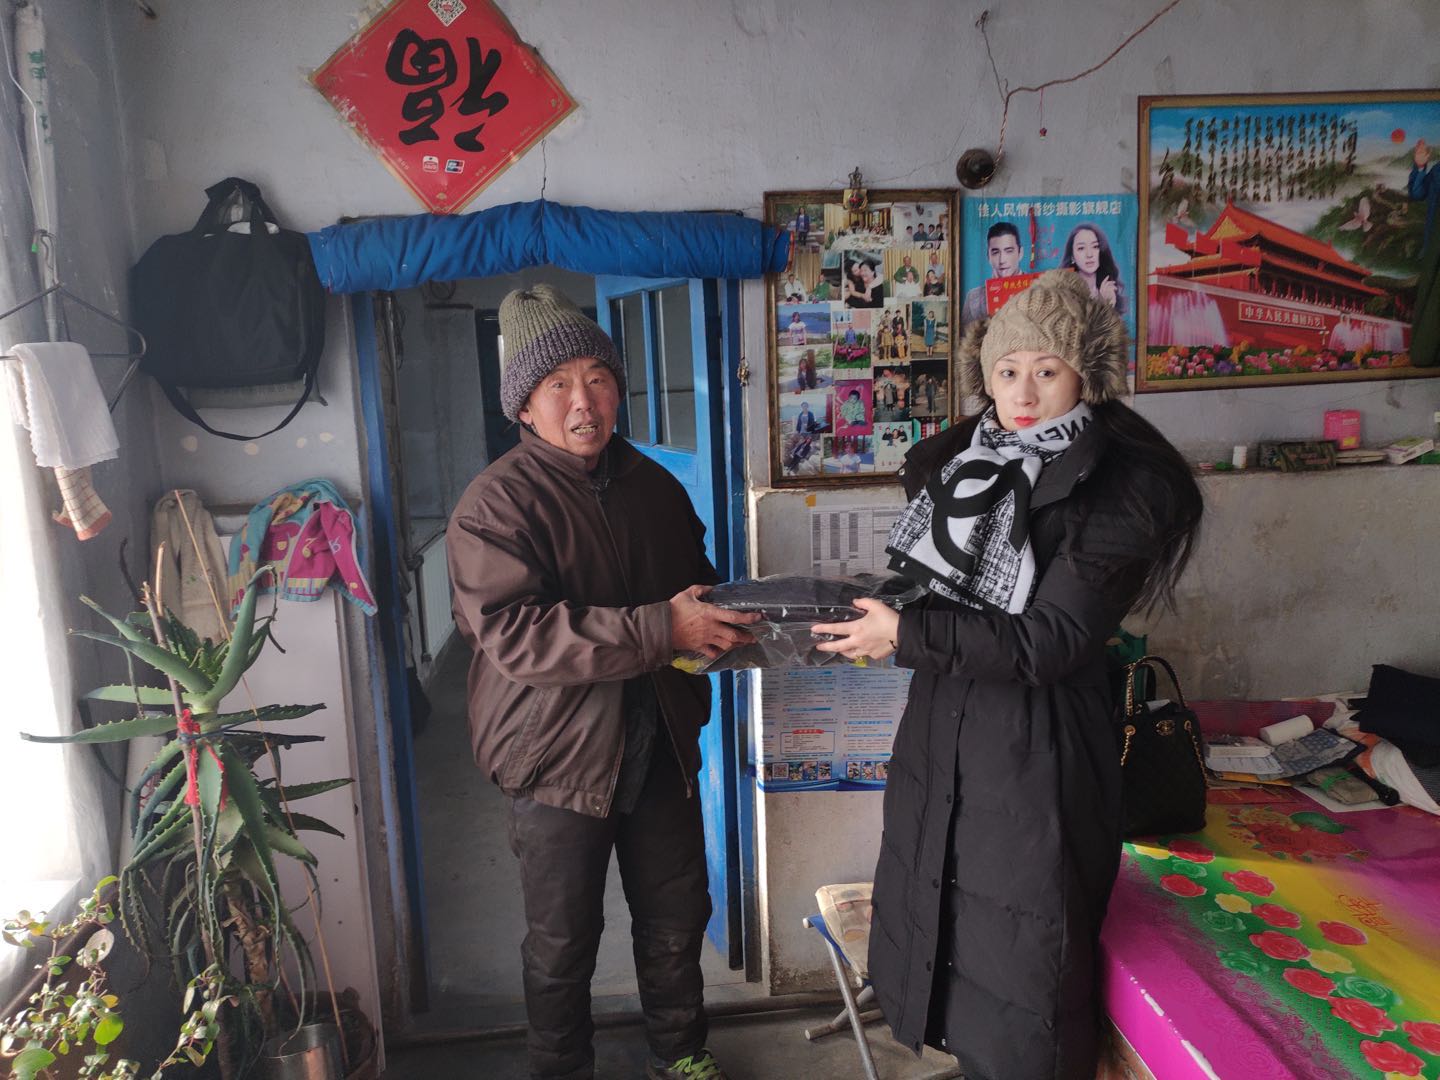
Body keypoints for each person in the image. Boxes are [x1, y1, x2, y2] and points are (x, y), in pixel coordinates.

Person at [810, 270, 1203, 1080]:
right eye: (1007, 369)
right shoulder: (965, 463)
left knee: (1024, 958)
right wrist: (873, 613)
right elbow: (933, 594)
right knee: (946, 926)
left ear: (1086, 376)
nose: (1023, 393)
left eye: (1047, 370)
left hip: (1037, 753)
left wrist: (906, 633)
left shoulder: (1121, 490)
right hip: (942, 731)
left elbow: (1050, 641)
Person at [446, 285, 759, 1080]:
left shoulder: (655, 486)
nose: (583, 401)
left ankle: (681, 1055)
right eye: (558, 385)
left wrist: (734, 627)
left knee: (676, 917)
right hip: (554, 754)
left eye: (597, 378)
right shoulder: (494, 506)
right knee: (563, 940)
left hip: (657, 740)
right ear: (524, 406)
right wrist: (664, 629)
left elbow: (693, 591)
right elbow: (517, 635)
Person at [961, 221, 1023, 326]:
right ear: (988, 256)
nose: (1002, 260)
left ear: (1020, 253)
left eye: (1009, 251)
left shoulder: (1037, 289)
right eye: (995, 252)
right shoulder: (973, 298)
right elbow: (964, 335)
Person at [1061, 222, 1127, 315]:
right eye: (1081, 248)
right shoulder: (1065, 294)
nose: (1089, 254)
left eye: (1095, 246)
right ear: (1072, 256)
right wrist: (1104, 305)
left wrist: (1110, 303)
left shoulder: (1109, 291)